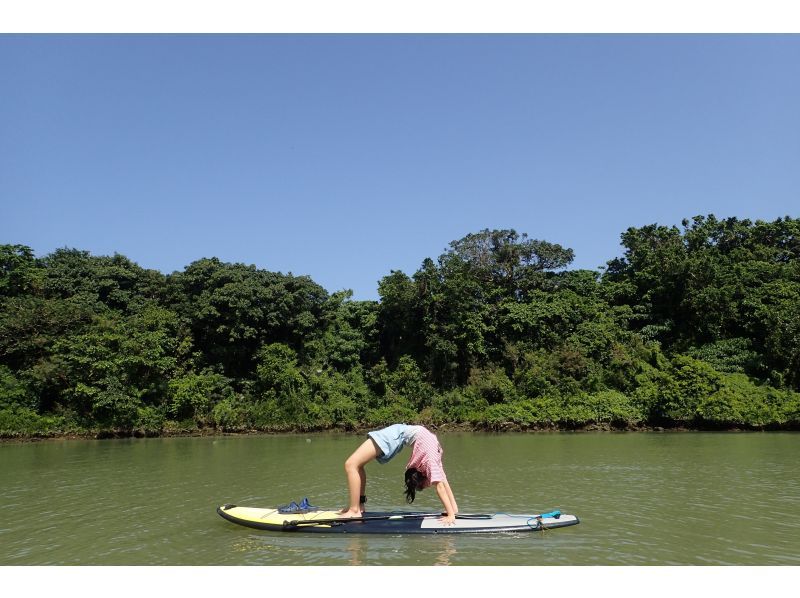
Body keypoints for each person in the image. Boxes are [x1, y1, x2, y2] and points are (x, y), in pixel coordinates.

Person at [339, 423, 459, 525]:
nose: (429, 485)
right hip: (396, 434)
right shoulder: (430, 460)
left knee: (353, 464)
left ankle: (356, 509)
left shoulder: (431, 456)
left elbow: (442, 482)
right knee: (353, 465)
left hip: (399, 432)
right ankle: (357, 508)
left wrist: (452, 512)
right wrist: (451, 513)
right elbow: (441, 485)